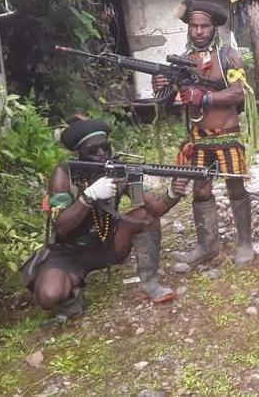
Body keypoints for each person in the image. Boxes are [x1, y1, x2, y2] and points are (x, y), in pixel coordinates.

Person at [21, 119, 185, 320]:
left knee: (145, 217)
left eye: (105, 148)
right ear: (79, 153)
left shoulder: (119, 170)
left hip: (107, 243)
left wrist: (174, 192)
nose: (101, 154)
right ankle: (72, 298)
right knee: (49, 295)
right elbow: (61, 226)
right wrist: (88, 196)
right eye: (93, 150)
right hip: (68, 253)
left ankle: (149, 283)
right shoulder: (64, 174)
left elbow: (154, 208)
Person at [151, 0, 256, 266]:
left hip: (227, 134)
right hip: (198, 139)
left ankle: (245, 243)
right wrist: (160, 86)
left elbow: (239, 92)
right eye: (194, 26)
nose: (199, 31)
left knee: (235, 185)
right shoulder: (182, 61)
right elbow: (167, 101)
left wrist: (205, 98)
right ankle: (206, 245)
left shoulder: (228, 56)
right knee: (201, 189)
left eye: (204, 26)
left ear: (214, 28)